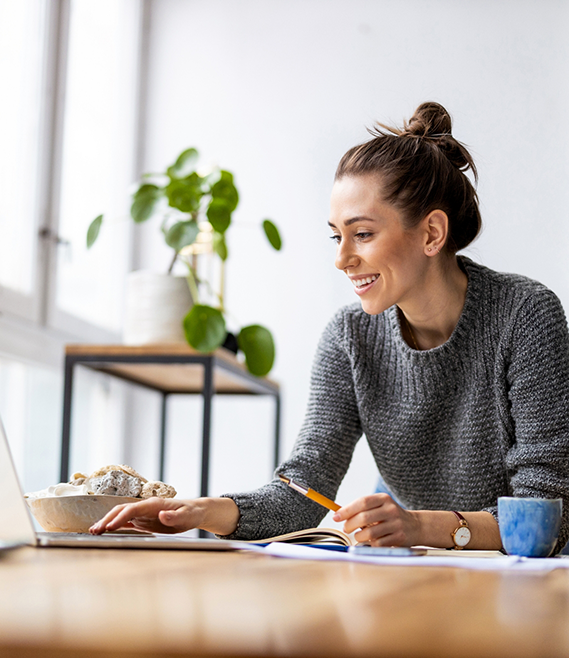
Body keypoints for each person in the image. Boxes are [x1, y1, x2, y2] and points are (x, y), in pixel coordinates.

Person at [91, 102, 569, 552]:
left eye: (362, 234)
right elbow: (303, 488)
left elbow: (551, 511)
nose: (342, 259)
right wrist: (201, 510)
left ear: (431, 233)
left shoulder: (524, 315)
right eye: (336, 236)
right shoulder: (349, 337)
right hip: (425, 573)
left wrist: (419, 524)